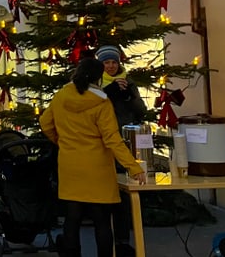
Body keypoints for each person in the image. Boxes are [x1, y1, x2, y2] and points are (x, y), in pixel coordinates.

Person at [39, 58, 146, 257]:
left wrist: (61, 142)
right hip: (97, 166)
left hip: (70, 164)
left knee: (72, 217)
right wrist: (134, 167)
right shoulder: (101, 102)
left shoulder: (61, 96)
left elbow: (45, 122)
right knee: (102, 221)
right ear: (98, 78)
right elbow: (112, 139)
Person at [96, 45, 147, 256]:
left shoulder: (129, 82)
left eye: (114, 62)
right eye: (106, 63)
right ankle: (106, 239)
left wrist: (129, 95)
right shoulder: (95, 84)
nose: (110, 66)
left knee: (124, 195)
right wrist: (109, 93)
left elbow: (141, 111)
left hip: (125, 142)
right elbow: (93, 106)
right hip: (103, 145)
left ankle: (123, 240)